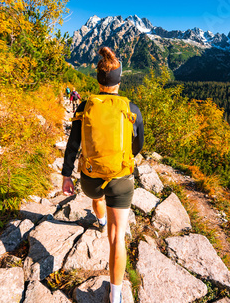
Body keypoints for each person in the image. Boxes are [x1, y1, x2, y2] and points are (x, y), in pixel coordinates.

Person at [61, 47, 144, 303]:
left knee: (96, 196)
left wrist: (66, 175)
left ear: (97, 80)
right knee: (119, 236)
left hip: (90, 180)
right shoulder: (131, 109)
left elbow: (73, 145)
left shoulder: (85, 106)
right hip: (120, 179)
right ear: (120, 81)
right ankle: (116, 294)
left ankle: (100, 220)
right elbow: (138, 146)